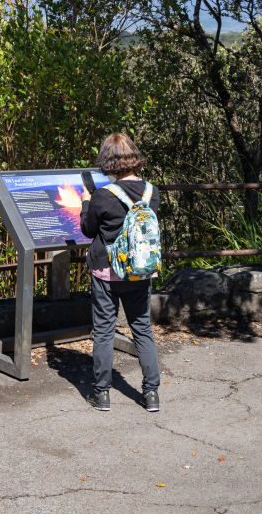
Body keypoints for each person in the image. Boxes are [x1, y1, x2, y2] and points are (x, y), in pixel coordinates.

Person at [79, 132, 162, 412]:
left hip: (107, 270)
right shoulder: (152, 191)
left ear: (107, 161)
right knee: (142, 328)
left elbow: (89, 230)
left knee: (103, 331)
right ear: (133, 157)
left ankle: (101, 394)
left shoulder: (102, 195)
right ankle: (151, 394)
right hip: (140, 270)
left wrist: (86, 204)